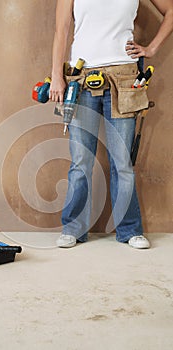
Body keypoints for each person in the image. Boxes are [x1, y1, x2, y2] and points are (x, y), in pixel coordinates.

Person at [49, 0, 173, 249]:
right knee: (81, 160)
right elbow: (61, 30)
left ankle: (129, 230)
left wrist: (151, 49)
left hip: (125, 78)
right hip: (81, 78)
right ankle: (74, 228)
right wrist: (56, 76)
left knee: (122, 162)